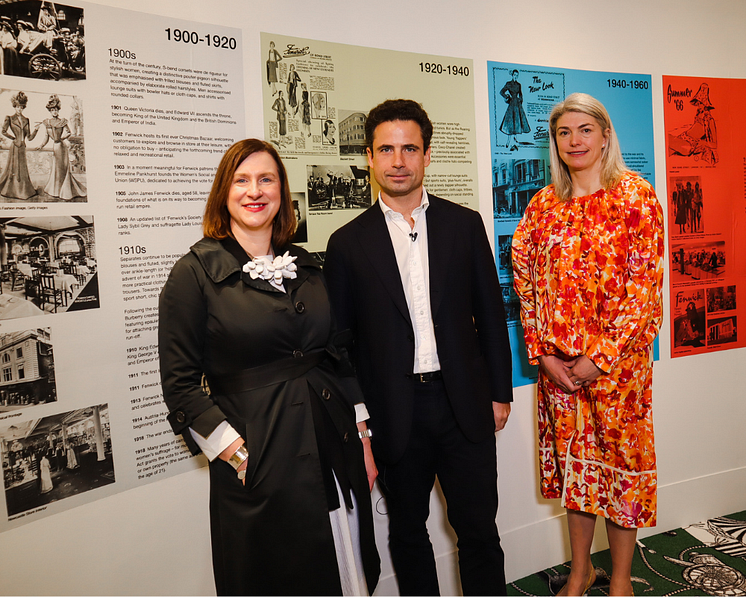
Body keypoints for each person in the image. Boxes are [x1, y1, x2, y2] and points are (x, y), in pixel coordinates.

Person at [158, 139, 379, 596]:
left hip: (330, 439)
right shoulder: (194, 273)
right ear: (225, 192)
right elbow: (180, 385)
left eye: (266, 179)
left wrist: (362, 437)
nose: (254, 191)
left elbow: (338, 354)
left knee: (341, 568)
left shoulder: (308, 265)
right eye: (241, 180)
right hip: (259, 455)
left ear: (282, 191)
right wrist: (236, 452)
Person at [325, 99, 513, 596]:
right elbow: (339, 343)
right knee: (408, 534)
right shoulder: (346, 243)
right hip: (393, 411)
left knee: (478, 530)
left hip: (464, 405)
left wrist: (499, 392)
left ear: (428, 155)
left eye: (410, 148)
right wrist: (361, 420)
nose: (398, 160)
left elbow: (491, 315)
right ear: (369, 156)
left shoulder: (464, 224)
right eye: (386, 149)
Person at [511, 93, 664, 596]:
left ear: (604, 135)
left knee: (622, 475)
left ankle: (620, 579)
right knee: (577, 474)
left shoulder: (636, 197)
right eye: (563, 132)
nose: (574, 141)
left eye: (584, 130)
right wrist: (546, 355)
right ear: (554, 142)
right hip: (559, 374)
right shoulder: (542, 206)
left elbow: (645, 289)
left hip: (618, 373)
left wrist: (597, 360)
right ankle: (579, 573)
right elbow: (525, 283)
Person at [35, 94, 86, 199]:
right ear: (50, 111)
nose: (54, 112)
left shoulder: (62, 121)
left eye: (56, 110)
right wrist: (41, 145)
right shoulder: (47, 122)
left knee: (62, 168)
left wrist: (62, 139)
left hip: (62, 148)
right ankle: (56, 190)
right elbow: (46, 137)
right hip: (55, 147)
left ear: (58, 110)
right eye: (52, 110)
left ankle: (65, 190)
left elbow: (69, 133)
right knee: (56, 169)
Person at [0, 91, 40, 200]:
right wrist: (13, 138)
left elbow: (29, 137)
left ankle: (24, 190)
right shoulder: (9, 118)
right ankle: (12, 191)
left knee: (22, 169)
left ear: (24, 107)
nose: (19, 109)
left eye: (21, 107)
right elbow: (3, 131)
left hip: (22, 147)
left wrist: (36, 130)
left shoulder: (26, 120)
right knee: (14, 169)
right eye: (17, 107)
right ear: (14, 107)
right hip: (15, 146)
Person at [499, 69, 530, 150]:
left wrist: (521, 100)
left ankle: (514, 141)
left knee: (517, 122)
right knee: (511, 122)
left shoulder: (519, 85)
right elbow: (501, 92)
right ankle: (509, 141)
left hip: (518, 105)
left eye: (517, 75)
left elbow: (521, 94)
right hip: (512, 104)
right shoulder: (508, 84)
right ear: (512, 75)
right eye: (514, 75)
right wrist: (507, 97)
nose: (516, 77)